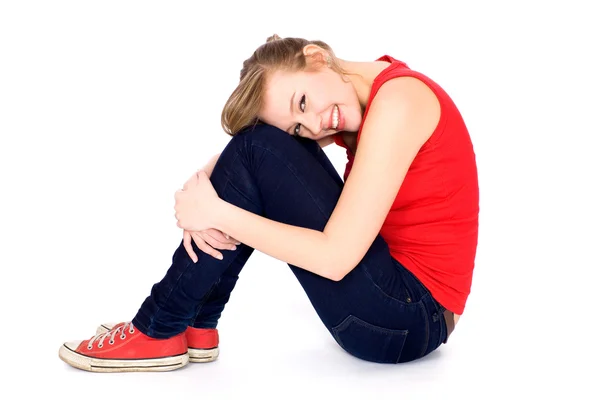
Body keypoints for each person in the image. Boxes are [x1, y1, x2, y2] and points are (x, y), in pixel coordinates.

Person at [58, 34, 479, 372]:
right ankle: (193, 323)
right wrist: (207, 183)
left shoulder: (399, 102)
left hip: (405, 321)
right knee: (255, 147)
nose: (314, 125)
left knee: (255, 149)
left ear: (316, 57)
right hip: (403, 313)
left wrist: (217, 212)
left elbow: (335, 258)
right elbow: (262, 154)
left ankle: (160, 325)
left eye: (302, 102)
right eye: (298, 125)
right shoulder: (365, 97)